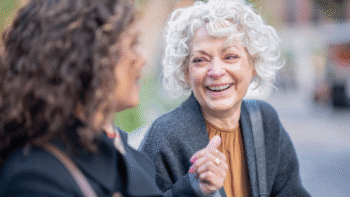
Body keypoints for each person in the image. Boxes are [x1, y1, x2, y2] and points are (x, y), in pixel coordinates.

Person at [0, 0, 228, 196]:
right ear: (87, 59)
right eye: (131, 45)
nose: (141, 59)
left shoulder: (121, 148)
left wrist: (195, 186)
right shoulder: (35, 177)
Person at [141, 0, 311, 196]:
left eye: (230, 56)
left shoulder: (264, 121)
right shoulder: (164, 135)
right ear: (185, 71)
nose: (215, 71)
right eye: (200, 59)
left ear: (253, 63)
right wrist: (192, 187)